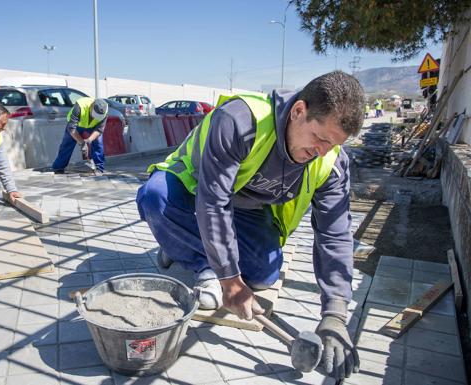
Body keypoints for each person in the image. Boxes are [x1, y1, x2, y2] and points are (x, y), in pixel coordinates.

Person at [136, 71, 363, 381]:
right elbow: (213, 202)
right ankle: (195, 255)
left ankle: (187, 243)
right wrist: (229, 281)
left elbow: (335, 235)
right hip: (192, 190)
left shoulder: (331, 162)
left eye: (333, 145)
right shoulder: (241, 121)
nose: (321, 152)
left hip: (248, 208)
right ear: (298, 111)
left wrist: (335, 315)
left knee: (263, 274)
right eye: (320, 139)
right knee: (154, 199)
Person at [52, 97, 109, 174]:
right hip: (76, 126)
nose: (95, 117)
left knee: (98, 143)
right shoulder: (80, 105)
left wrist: (88, 141)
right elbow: (72, 129)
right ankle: (58, 167)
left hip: (93, 126)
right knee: (67, 144)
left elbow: (99, 130)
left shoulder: (104, 111)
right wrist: (82, 143)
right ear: (91, 107)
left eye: (98, 116)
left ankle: (99, 168)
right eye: (95, 115)